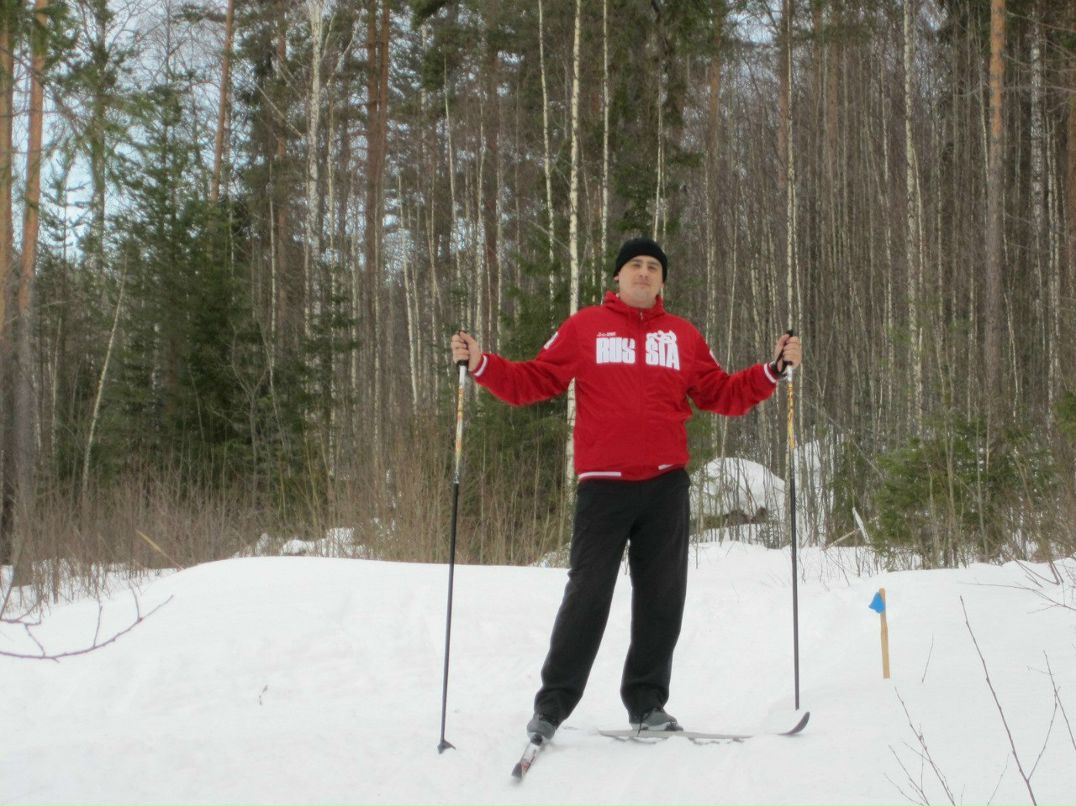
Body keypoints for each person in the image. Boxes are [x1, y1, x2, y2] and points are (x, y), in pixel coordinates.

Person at [450, 237, 801, 741]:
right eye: (634, 265)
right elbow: (535, 380)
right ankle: (551, 707)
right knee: (587, 596)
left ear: (662, 280)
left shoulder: (682, 336)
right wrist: (483, 364)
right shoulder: (585, 328)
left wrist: (772, 372)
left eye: (653, 267)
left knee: (662, 598)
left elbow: (721, 393)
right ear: (617, 277)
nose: (643, 273)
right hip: (604, 487)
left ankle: (646, 704)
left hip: (665, 486)